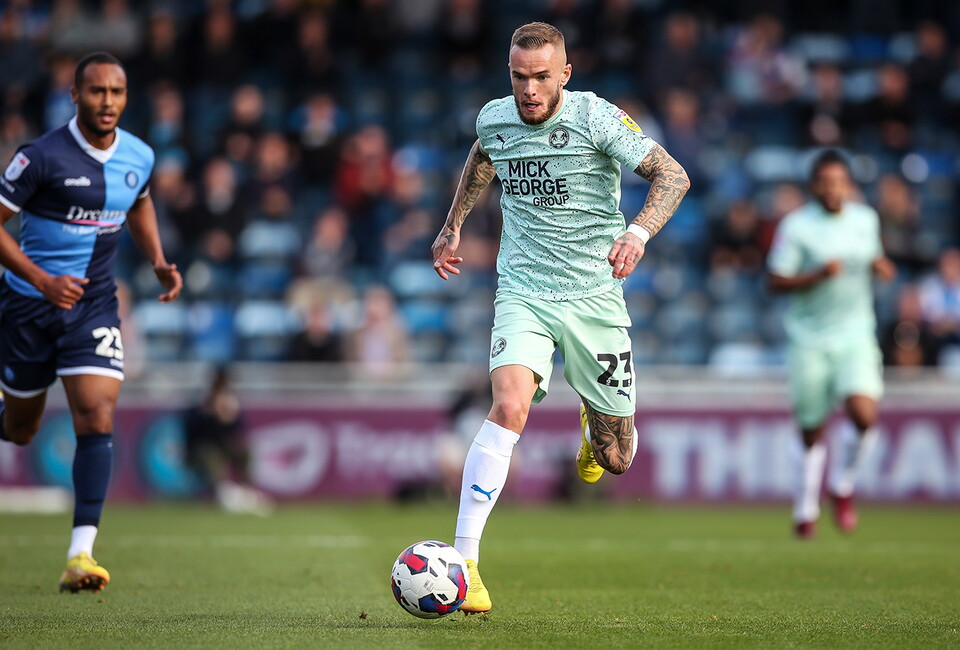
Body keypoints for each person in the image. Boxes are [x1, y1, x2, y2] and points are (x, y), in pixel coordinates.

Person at [430, 22, 689, 613]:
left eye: (542, 77)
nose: (529, 90)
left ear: (565, 75)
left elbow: (673, 175)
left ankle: (590, 424)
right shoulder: (495, 118)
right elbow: (482, 155)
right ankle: (465, 562)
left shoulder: (596, 118)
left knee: (617, 458)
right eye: (519, 77)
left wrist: (638, 232)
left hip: (595, 296)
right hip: (524, 291)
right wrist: (453, 225)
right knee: (509, 405)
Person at [0, 52, 182, 592]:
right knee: (21, 429)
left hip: (94, 305)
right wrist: (40, 279)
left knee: (96, 412)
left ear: (127, 97)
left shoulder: (139, 155)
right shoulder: (40, 158)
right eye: (97, 91)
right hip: (28, 306)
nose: (108, 102)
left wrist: (156, 260)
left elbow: (140, 202)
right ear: (75, 96)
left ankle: (81, 554)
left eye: (117, 92)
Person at [767, 149, 895, 540]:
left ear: (848, 184)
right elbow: (775, 281)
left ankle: (842, 484)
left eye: (838, 181)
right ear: (813, 186)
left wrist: (881, 266)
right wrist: (818, 274)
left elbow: (874, 257)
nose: (831, 189)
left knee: (864, 414)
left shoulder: (865, 219)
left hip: (855, 335)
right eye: (824, 182)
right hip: (808, 339)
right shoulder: (797, 226)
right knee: (810, 429)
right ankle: (805, 508)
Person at [183, 366, 272, 515]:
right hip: (204, 446)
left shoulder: (231, 400)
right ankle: (223, 493)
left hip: (224, 445)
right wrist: (209, 413)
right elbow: (192, 426)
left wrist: (228, 417)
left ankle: (246, 492)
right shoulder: (201, 399)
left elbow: (238, 428)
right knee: (211, 458)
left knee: (244, 451)